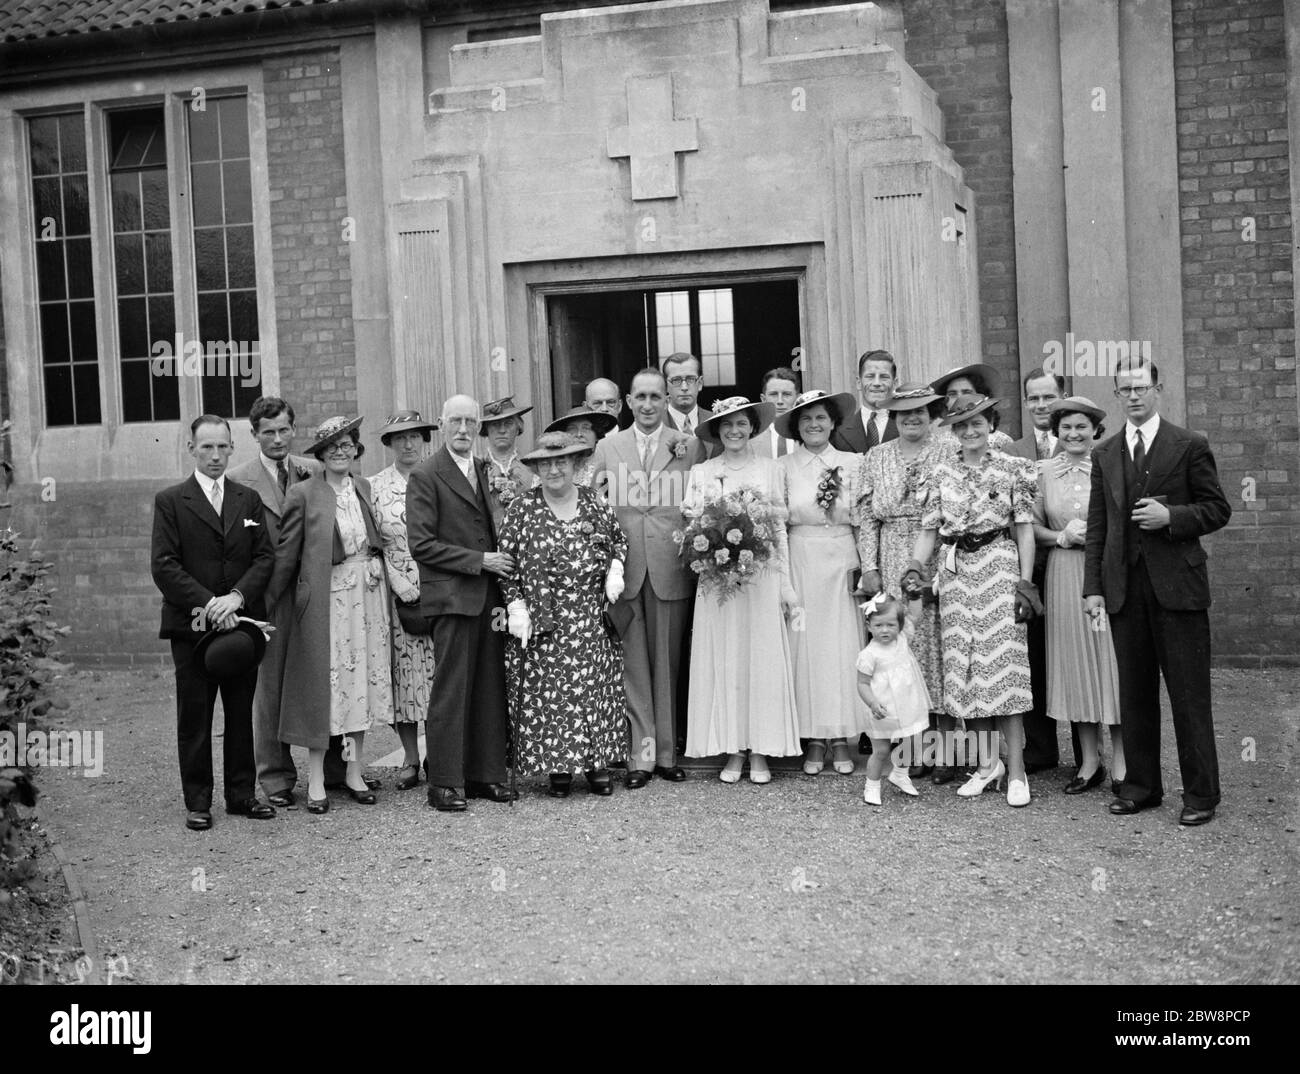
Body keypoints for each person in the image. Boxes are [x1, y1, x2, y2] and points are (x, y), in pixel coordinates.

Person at [1084, 360, 1231, 826]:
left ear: (1158, 390)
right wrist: (1094, 589)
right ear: (1116, 394)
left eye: (1141, 388)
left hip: (1179, 590)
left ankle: (1201, 795)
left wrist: (1174, 519)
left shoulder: (1189, 445)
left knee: (1189, 694)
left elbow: (1217, 508)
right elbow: (1097, 528)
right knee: (1135, 693)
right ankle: (1142, 787)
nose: (1133, 396)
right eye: (1124, 389)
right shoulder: (1105, 453)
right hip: (1125, 589)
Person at [905, 395, 1041, 807]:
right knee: (965, 669)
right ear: (952, 430)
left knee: (1003, 668)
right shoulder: (940, 472)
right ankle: (987, 765)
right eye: (961, 425)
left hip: (999, 566)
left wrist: (1025, 582)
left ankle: (1015, 771)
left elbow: (1025, 529)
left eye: (976, 423)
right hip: (956, 573)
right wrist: (914, 567)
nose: (969, 431)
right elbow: (930, 530)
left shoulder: (1013, 468)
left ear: (991, 423)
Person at [227, 396, 354, 804]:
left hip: (317, 589)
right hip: (267, 593)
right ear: (254, 435)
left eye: (284, 430)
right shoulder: (238, 480)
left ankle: (336, 767)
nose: (277, 439)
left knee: (327, 674)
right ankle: (277, 778)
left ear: (293, 430)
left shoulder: (316, 469)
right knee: (271, 685)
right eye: (268, 432)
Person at [151, 414, 275, 830]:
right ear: (191, 449)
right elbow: (164, 567)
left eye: (223, 446)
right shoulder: (171, 501)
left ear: (232, 448)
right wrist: (210, 604)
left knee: (240, 711)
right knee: (196, 714)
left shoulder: (247, 499)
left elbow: (264, 558)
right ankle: (198, 801)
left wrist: (236, 598)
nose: (216, 455)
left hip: (240, 623)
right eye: (207, 447)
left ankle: (241, 795)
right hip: (192, 628)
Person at [267, 416, 393, 814]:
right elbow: (287, 554)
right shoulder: (304, 493)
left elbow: (373, 542)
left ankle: (353, 771)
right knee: (327, 690)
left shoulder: (363, 487)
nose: (341, 451)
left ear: (356, 449)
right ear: (320, 454)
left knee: (362, 686)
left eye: (347, 444)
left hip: (367, 597)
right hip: (327, 602)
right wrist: (267, 602)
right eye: (332, 446)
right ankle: (318, 778)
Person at [590, 370, 706, 788]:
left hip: (669, 565)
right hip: (624, 571)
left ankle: (667, 754)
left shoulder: (689, 446)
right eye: (640, 396)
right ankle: (640, 757)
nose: (648, 404)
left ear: (666, 400)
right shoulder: (608, 445)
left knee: (668, 664)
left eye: (656, 396)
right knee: (633, 666)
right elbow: (592, 502)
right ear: (627, 401)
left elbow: (701, 502)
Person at [498, 432, 630, 797]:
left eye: (561, 462)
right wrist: (515, 605)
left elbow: (618, 539)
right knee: (550, 693)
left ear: (576, 465)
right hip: (543, 618)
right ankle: (557, 768)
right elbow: (506, 563)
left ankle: (595, 765)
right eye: (546, 463)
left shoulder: (593, 502)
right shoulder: (522, 508)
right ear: (538, 468)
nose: (554, 469)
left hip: (589, 615)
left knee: (593, 691)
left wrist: (616, 568)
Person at [406, 394, 516, 812]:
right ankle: (445, 783)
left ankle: (486, 775)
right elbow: (422, 544)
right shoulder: (426, 474)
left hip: (487, 596)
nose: (464, 429)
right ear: (441, 423)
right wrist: (479, 560)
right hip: (452, 596)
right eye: (456, 421)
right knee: (451, 689)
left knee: (489, 685)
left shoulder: (485, 469)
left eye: (471, 421)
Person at [682, 397, 800, 783]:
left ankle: (762, 751)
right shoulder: (702, 472)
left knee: (760, 662)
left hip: (761, 579)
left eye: (742, 423)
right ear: (717, 430)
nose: (735, 431)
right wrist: (711, 553)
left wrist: (785, 585)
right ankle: (733, 750)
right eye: (727, 424)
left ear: (753, 427)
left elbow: (779, 529)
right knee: (726, 660)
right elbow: (692, 529)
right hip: (719, 582)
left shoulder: (770, 470)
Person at [854, 385, 952, 780]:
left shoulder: (948, 449)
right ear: (893, 417)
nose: (912, 419)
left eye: (921, 412)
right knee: (898, 654)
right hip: (891, 553)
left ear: (932, 415)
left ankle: (943, 751)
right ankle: (907, 751)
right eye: (904, 413)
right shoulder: (876, 457)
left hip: (939, 554)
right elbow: (866, 517)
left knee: (938, 650)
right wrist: (869, 565)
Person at [1033, 397, 1125, 794]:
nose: (1074, 434)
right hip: (1063, 570)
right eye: (1067, 427)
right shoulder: (1042, 472)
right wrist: (1060, 536)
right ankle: (1089, 761)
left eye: (1081, 427)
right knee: (1073, 664)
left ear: (1094, 431)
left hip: (1104, 574)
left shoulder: (1109, 464)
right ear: (1057, 431)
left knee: (1111, 663)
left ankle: (1122, 760)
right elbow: (1029, 526)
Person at [773, 389, 867, 775]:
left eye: (821, 417)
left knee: (842, 646)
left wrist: (868, 566)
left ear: (833, 422)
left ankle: (842, 737)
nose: (814, 424)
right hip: (801, 558)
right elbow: (778, 525)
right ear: (797, 426)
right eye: (806, 418)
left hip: (843, 556)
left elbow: (864, 519)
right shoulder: (782, 467)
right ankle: (813, 737)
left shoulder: (853, 463)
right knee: (805, 643)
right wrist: (782, 579)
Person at [1004, 368, 1072, 776]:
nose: (1042, 405)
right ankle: (1041, 748)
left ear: (1062, 397)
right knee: (1030, 657)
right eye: (1034, 398)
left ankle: (1088, 754)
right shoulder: (1013, 451)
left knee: (1075, 653)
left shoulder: (1082, 440)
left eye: (1049, 397)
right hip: (1027, 566)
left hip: (1069, 567)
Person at [371, 410, 440, 792]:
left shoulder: (438, 478)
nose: (408, 444)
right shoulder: (375, 486)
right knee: (404, 677)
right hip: (397, 593)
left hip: (439, 586)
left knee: (437, 675)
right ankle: (410, 758)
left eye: (414, 436)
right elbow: (374, 543)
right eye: (399, 438)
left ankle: (438, 753)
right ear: (389, 444)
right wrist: (399, 582)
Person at [856, 596, 931, 806]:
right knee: (881, 750)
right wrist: (872, 703)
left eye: (891, 624)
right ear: (868, 626)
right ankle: (872, 785)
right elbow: (862, 683)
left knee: (912, 740)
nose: (885, 630)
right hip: (883, 708)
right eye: (879, 625)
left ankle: (899, 773)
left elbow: (914, 615)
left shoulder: (902, 639)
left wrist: (915, 597)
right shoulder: (869, 655)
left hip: (908, 704)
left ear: (899, 625)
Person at [479, 395, 537, 528]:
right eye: (495, 424)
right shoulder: (475, 470)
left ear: (519, 427)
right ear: (485, 429)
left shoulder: (532, 468)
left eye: (508, 423)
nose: (502, 430)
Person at [930, 363, 1015, 452]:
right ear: (945, 402)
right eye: (952, 394)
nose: (960, 398)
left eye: (967, 392)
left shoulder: (1002, 442)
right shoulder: (939, 446)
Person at [832, 349, 898, 453]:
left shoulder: (907, 426)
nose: (877, 383)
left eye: (884, 377)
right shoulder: (838, 432)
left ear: (894, 383)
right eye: (870, 376)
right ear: (859, 383)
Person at [544, 406, 619, 487]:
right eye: (572, 429)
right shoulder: (552, 469)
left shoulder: (611, 468)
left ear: (597, 434)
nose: (579, 434)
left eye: (586, 428)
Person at [661, 351, 716, 457]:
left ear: (700, 383)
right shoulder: (655, 425)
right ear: (665, 385)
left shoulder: (715, 422)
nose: (684, 387)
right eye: (676, 380)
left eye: (690, 379)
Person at [756, 366, 800, 459]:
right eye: (773, 394)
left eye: (786, 394)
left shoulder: (807, 435)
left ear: (797, 398)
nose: (780, 401)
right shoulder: (751, 440)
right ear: (764, 400)